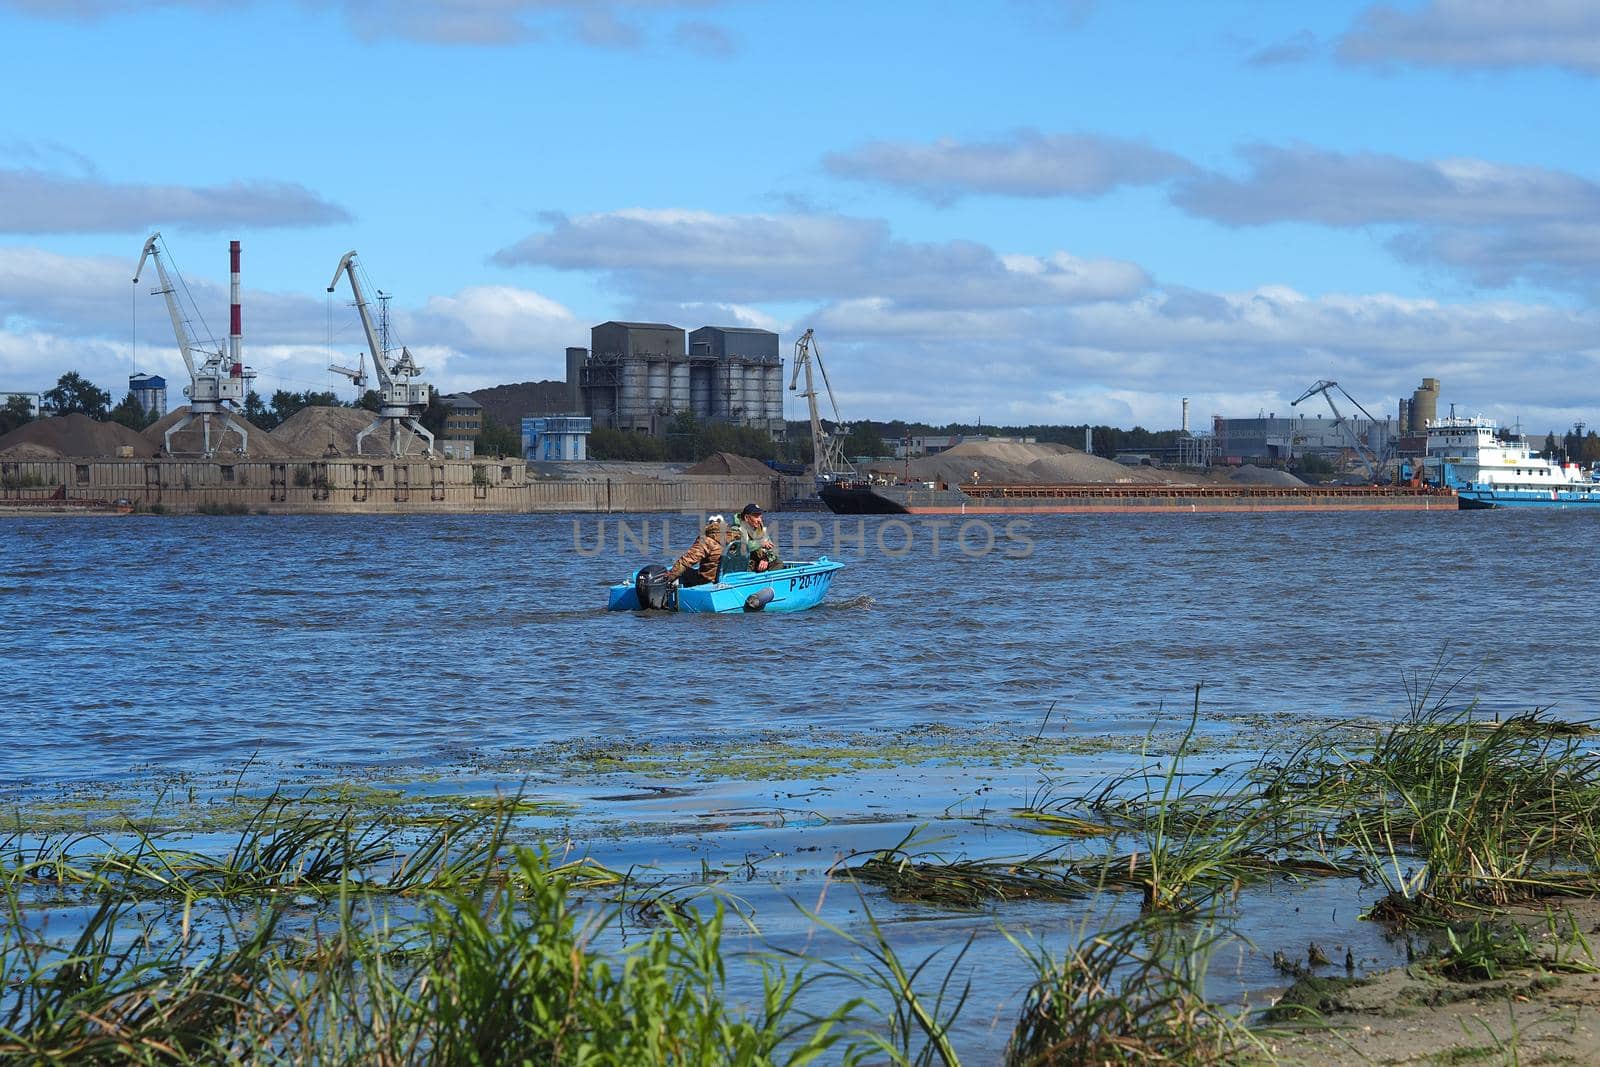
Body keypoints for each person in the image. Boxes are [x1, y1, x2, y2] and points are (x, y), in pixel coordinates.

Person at [666, 515, 728, 586]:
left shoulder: (706, 540)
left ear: (709, 525)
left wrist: (669, 577)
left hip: (708, 580)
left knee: (682, 571)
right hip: (725, 579)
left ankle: (674, 593)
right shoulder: (731, 538)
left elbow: (687, 560)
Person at [731, 502, 782, 572]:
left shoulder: (760, 529)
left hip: (755, 562)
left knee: (778, 563)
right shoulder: (736, 530)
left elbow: (771, 550)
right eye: (756, 517)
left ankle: (768, 581)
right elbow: (741, 548)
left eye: (760, 517)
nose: (760, 520)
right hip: (742, 564)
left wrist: (766, 559)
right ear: (746, 518)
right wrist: (760, 543)